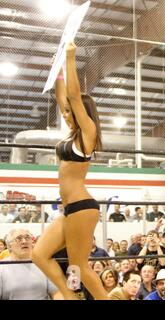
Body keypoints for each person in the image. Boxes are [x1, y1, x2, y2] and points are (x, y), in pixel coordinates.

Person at [31, 42, 107, 300]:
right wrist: (58, 70)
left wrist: (71, 57)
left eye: (70, 112)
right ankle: (71, 295)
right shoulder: (73, 134)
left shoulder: (88, 134)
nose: (65, 114)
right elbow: (64, 96)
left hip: (82, 207)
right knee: (39, 254)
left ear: (82, 112)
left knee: (80, 266)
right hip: (70, 209)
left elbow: (74, 96)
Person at [0, 229, 62, 300]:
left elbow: (56, 292)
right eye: (19, 239)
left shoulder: (44, 264)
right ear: (9, 245)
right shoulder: (2, 267)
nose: (24, 241)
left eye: (27, 238)